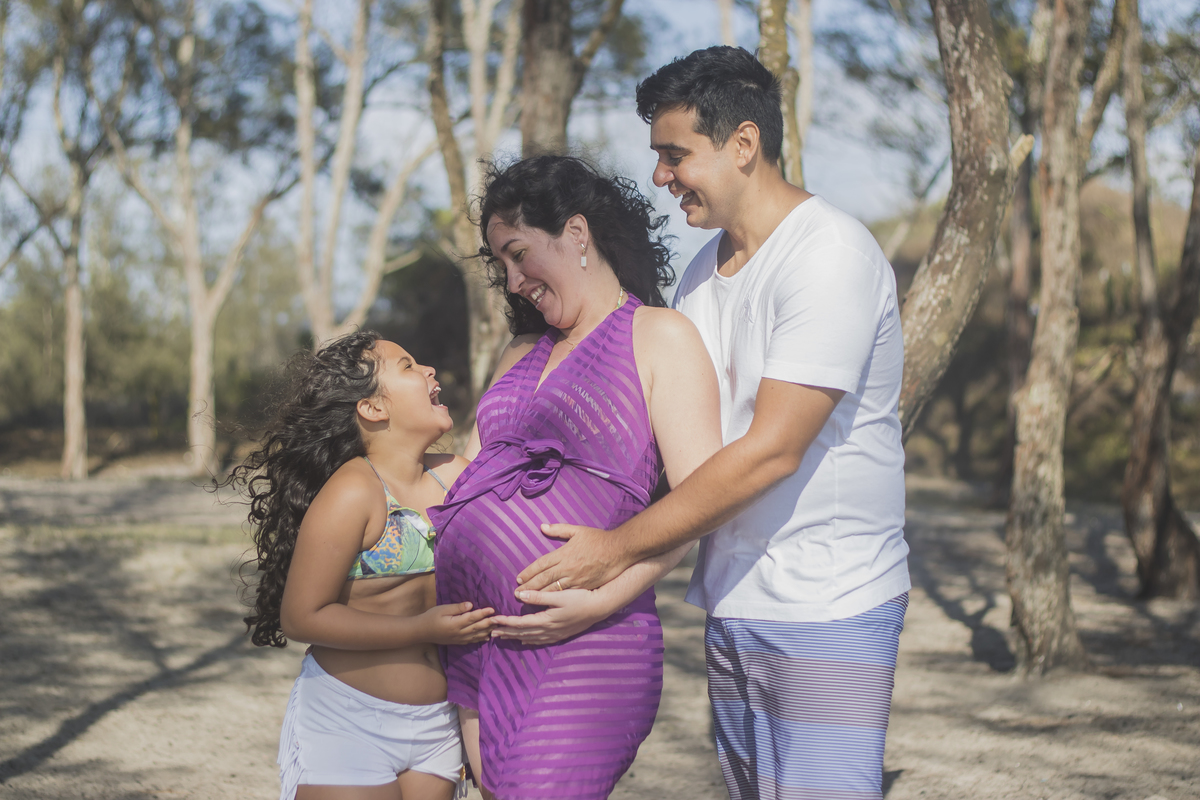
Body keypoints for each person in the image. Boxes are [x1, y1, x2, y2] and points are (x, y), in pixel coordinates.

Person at [517, 46, 911, 800]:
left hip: (829, 603)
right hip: (734, 601)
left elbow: (770, 452)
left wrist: (615, 550)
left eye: (675, 155)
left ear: (743, 145)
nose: (660, 176)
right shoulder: (703, 274)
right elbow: (675, 445)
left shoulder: (828, 256)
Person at [427, 155, 723, 800]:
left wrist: (603, 599)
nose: (512, 281)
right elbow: (470, 476)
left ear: (577, 232)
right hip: (480, 645)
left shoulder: (659, 336)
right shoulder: (518, 352)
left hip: (589, 641)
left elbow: (703, 502)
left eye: (518, 254)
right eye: (501, 265)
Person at [233, 331, 497, 800]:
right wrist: (421, 629)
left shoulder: (454, 475)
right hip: (349, 720)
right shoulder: (354, 490)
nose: (430, 370)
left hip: (438, 725)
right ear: (373, 408)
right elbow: (302, 617)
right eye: (408, 366)